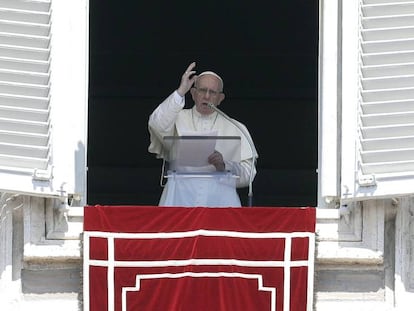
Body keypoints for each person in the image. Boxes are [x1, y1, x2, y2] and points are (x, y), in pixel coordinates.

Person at [148, 62, 258, 207]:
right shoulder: (176, 117)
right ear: (193, 94)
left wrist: (225, 165)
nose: (206, 96)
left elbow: (248, 174)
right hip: (178, 199)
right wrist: (181, 91)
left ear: (220, 98)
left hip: (220, 202)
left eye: (212, 92)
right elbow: (156, 124)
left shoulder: (236, 127)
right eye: (202, 90)